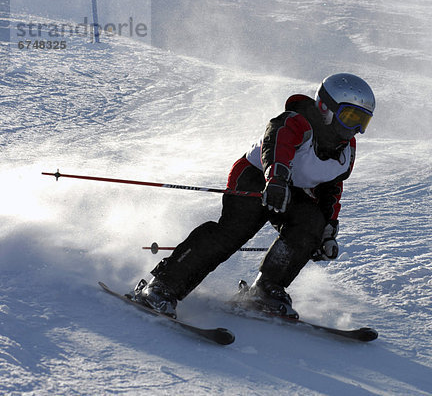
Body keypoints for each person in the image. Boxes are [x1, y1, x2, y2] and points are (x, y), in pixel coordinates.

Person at [132, 73, 376, 319]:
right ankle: (163, 286)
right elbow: (276, 143)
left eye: (362, 122)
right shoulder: (297, 122)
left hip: (290, 188)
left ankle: (266, 289)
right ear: (325, 107)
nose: (354, 129)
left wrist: (327, 230)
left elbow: (330, 190)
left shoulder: (346, 152)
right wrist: (276, 179)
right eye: (350, 117)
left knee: (310, 224)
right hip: (256, 175)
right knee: (235, 230)